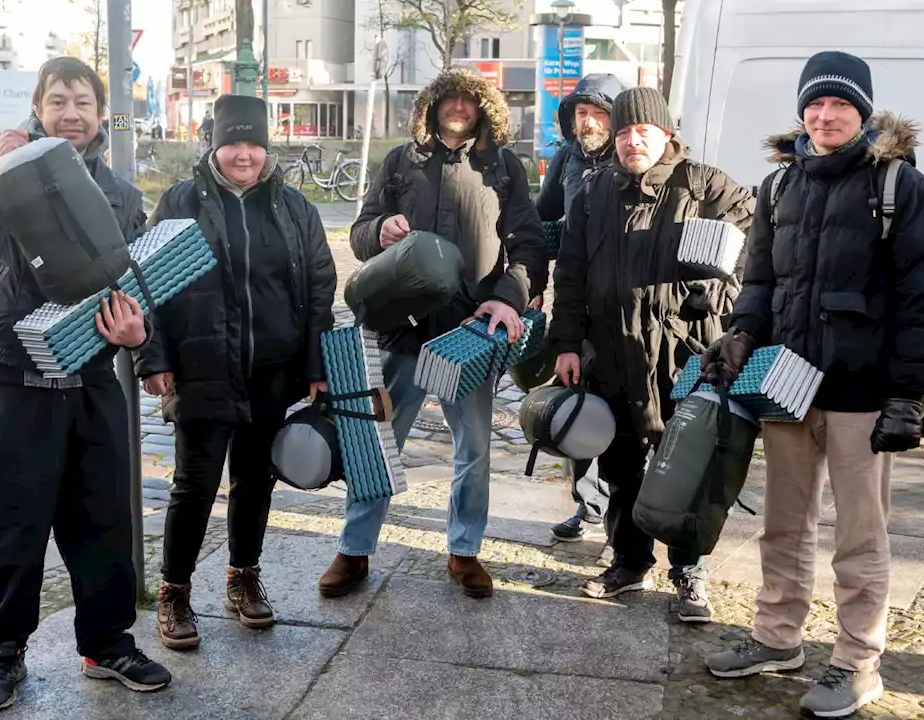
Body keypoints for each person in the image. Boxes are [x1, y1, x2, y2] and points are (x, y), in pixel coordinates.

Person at [0, 56, 172, 712]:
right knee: (17, 525)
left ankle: (106, 643)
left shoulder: (117, 192)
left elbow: (142, 285)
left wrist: (141, 343)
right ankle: (4, 653)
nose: (72, 114)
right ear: (38, 105)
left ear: (99, 111)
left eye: (83, 101)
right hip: (14, 378)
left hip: (90, 377)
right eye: (59, 101)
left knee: (104, 520)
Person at [700, 51, 924, 718]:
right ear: (801, 112)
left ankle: (857, 663)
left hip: (860, 395)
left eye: (840, 104)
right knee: (783, 526)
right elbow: (758, 283)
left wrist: (909, 395)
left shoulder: (898, 186)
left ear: (863, 112)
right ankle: (777, 637)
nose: (825, 115)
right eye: (815, 104)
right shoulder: (781, 187)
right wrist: (740, 335)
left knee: (860, 539)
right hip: (785, 386)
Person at [320, 67, 547, 600]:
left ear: (484, 108)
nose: (459, 107)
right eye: (449, 98)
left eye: (470, 100)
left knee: (474, 447)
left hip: (469, 330)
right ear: (432, 104)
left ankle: (464, 550)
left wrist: (507, 296)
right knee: (379, 442)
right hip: (402, 326)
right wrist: (381, 231)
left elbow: (531, 244)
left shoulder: (504, 167)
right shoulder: (401, 161)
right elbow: (359, 233)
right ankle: (354, 548)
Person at [136, 95, 336, 649]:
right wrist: (153, 358)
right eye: (233, 144)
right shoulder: (180, 203)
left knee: (254, 482)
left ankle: (243, 579)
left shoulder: (296, 209)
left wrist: (316, 364)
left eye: (253, 144)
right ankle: (174, 592)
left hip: (272, 371)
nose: (243, 155)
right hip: (201, 367)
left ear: (266, 148)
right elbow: (146, 284)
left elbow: (320, 289)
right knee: (194, 485)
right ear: (214, 145)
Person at [548, 87, 754, 620]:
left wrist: (720, 295)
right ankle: (628, 562)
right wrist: (567, 344)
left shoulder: (708, 186)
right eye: (621, 132)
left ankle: (689, 573)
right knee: (621, 465)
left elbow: (757, 254)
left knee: (689, 465)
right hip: (610, 353)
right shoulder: (593, 193)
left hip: (687, 356)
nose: (630, 141)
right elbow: (569, 274)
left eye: (641, 130)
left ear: (666, 133)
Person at [534, 73, 627, 553]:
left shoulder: (631, 156)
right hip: (577, 301)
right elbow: (544, 218)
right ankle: (588, 504)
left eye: (598, 113)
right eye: (581, 113)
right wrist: (530, 280)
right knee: (579, 402)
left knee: (627, 413)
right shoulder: (567, 159)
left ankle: (626, 517)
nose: (589, 122)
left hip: (626, 304)